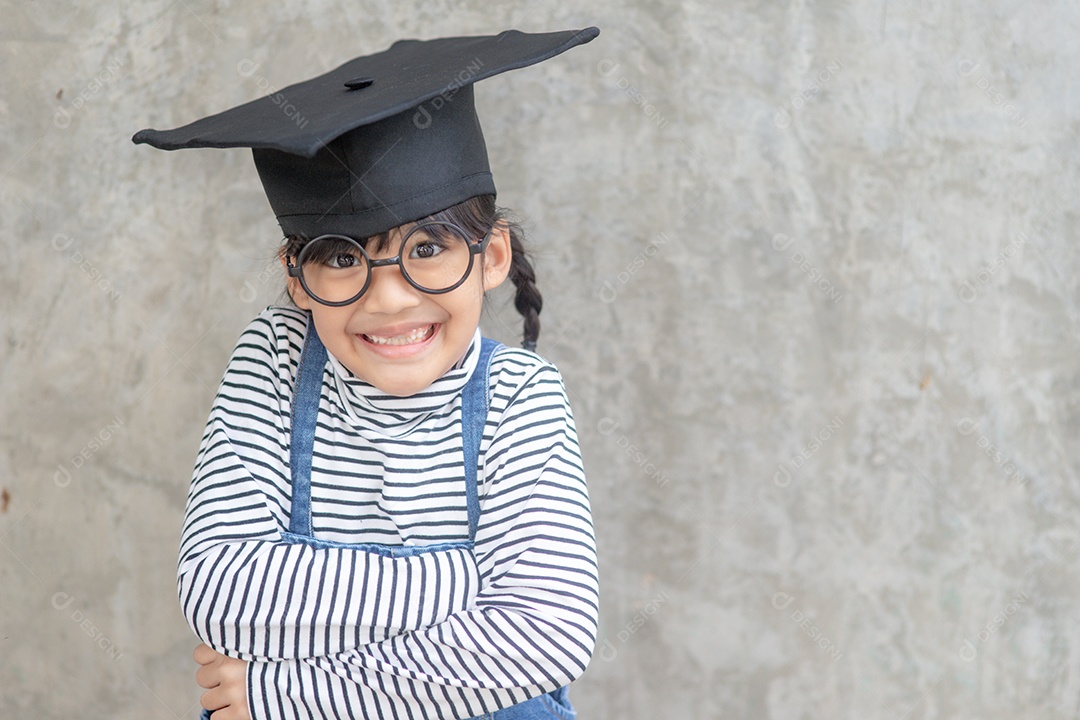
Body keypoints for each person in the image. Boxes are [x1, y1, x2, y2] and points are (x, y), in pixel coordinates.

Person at [133, 27, 601, 720]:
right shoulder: (276, 360)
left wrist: (283, 690)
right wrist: (467, 582)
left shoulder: (520, 399)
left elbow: (550, 633)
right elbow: (216, 591)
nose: (388, 299)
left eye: (427, 247)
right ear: (298, 278)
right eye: (343, 258)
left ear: (492, 257)